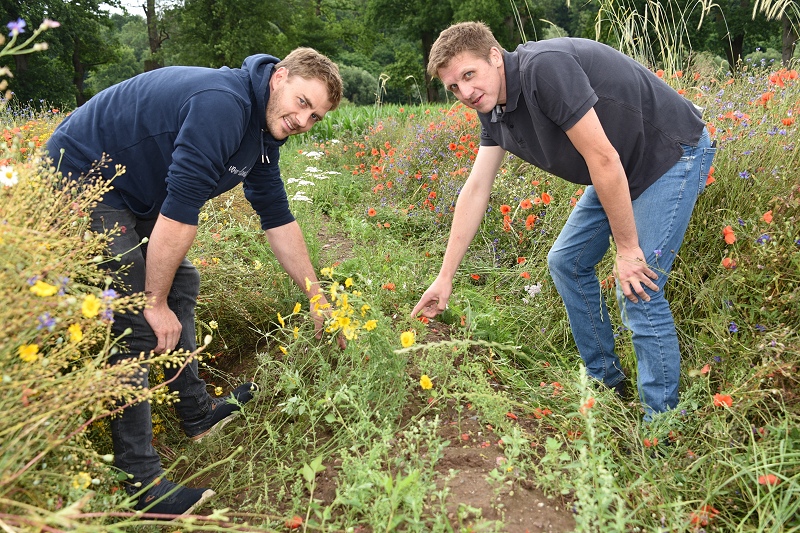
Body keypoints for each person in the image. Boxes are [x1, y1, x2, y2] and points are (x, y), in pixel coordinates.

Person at [46, 47, 344, 517]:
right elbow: (182, 206)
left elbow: (277, 216)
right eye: (303, 103)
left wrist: (316, 296)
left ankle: (197, 413)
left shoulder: (264, 132)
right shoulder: (222, 104)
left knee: (180, 283)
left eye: (316, 116)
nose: (305, 121)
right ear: (279, 78)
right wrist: (153, 301)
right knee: (137, 315)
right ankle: (140, 483)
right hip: (80, 174)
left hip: (130, 189)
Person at [411, 22, 716, 421]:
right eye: (453, 87)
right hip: (617, 166)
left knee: (638, 286)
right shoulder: (493, 108)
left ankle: (662, 425)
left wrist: (627, 250)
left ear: (494, 57)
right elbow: (475, 190)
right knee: (565, 262)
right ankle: (605, 383)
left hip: (670, 155)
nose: (465, 93)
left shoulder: (544, 70)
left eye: (468, 75)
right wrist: (445, 276)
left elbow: (603, 158)